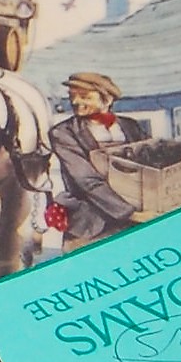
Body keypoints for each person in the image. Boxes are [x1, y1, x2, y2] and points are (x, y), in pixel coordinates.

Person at [48, 72, 152, 242]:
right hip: (92, 225)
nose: (75, 102)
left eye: (84, 97)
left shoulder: (130, 126)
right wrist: (131, 212)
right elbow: (87, 181)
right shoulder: (63, 133)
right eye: (72, 97)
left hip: (139, 219)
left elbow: (150, 162)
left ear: (107, 99)